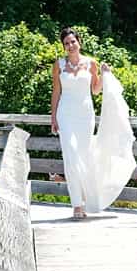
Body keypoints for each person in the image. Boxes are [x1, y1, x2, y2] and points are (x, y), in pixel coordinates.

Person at [50, 27, 119, 220]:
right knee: (70, 155)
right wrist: (53, 117)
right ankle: (76, 205)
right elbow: (56, 92)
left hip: (85, 115)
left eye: (73, 41)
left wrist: (105, 75)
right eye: (66, 43)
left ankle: (89, 199)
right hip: (65, 114)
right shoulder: (59, 64)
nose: (70, 46)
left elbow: (96, 90)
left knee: (85, 157)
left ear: (79, 42)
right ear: (63, 46)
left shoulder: (91, 63)